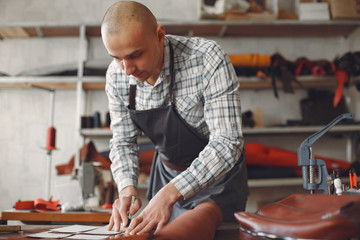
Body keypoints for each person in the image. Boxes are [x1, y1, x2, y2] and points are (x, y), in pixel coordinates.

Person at [101, 1, 248, 236]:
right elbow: (123, 141)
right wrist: (126, 189)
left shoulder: (207, 59)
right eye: (117, 58)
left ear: (160, 35)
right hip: (166, 176)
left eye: (135, 55)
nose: (127, 69)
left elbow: (227, 143)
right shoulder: (117, 75)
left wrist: (170, 194)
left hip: (217, 180)